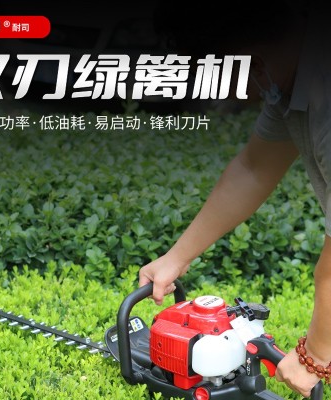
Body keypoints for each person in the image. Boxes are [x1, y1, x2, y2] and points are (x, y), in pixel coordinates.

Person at [138, 1, 331, 397]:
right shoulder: (289, 82)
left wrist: (316, 354)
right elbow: (253, 169)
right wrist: (176, 258)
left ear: (250, 64)